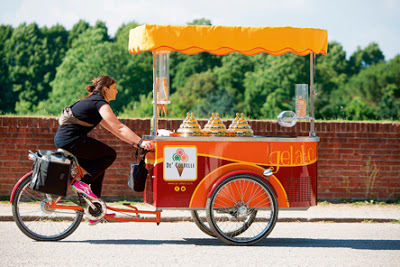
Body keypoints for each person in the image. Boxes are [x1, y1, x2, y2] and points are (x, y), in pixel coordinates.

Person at [54, 75, 153, 224]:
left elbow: (115, 130)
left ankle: (95, 210)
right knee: (109, 155)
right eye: (114, 88)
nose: (117, 91)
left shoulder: (93, 102)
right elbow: (119, 126)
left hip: (65, 139)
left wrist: (135, 143)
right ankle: (82, 185)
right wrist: (141, 142)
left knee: (98, 167)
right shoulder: (99, 103)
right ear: (105, 89)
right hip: (72, 140)